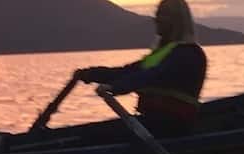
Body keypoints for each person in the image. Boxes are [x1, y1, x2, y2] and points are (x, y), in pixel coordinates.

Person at [73, 0, 207, 138]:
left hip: (173, 126)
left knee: (101, 136)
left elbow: (150, 75)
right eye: (157, 14)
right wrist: (92, 74)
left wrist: (115, 88)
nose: (157, 20)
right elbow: (128, 72)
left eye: (163, 15)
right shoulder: (163, 54)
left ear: (177, 20)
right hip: (153, 121)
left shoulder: (188, 54)